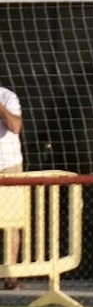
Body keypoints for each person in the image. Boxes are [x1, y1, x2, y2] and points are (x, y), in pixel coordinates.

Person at [0, 82, 24, 290]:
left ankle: (11, 274)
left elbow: (15, 127)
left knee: (12, 221)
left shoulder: (7, 97)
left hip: (8, 166)